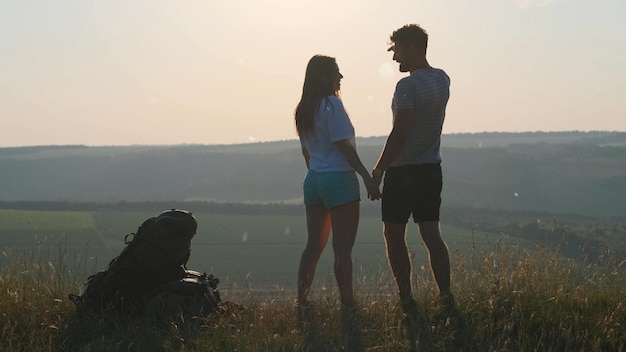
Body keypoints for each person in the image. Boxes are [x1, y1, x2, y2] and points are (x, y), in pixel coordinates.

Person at [294, 54, 381, 351]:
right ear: (324, 77)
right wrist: (367, 177)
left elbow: (307, 154)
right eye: (337, 74)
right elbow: (344, 146)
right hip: (339, 180)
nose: (341, 78)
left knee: (312, 246)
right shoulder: (333, 105)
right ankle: (347, 307)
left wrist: (318, 177)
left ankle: (302, 304)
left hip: (314, 180)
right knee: (342, 249)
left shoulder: (302, 110)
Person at [371, 24, 455, 318]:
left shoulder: (406, 87)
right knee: (432, 235)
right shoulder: (443, 79)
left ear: (412, 47)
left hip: (404, 172)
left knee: (393, 235)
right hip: (432, 168)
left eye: (396, 50)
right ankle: (446, 296)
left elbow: (400, 132)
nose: (394, 58)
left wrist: (379, 170)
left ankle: (407, 299)